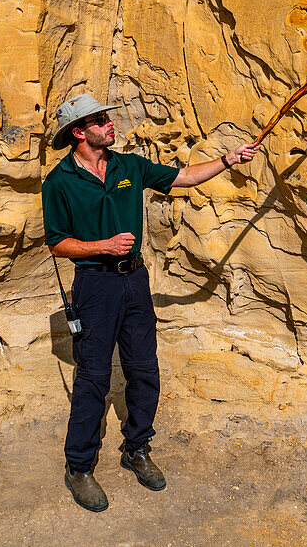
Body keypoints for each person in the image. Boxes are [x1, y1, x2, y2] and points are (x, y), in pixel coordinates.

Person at [41, 93, 260, 512]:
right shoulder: (60, 181)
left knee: (144, 369)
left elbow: (187, 177)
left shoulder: (128, 165)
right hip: (94, 286)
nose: (109, 124)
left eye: (106, 118)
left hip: (134, 283)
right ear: (78, 132)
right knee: (93, 378)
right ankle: (79, 467)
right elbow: (57, 244)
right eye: (99, 120)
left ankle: (137, 448)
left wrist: (228, 160)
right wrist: (101, 246)